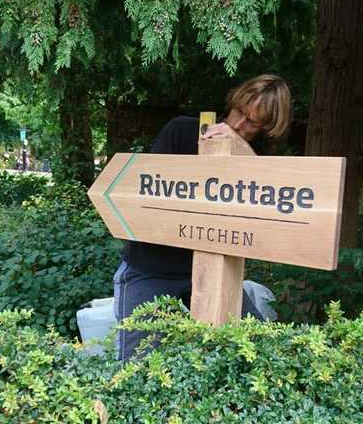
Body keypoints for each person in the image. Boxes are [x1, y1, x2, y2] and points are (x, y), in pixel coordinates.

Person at [113, 74, 293, 360]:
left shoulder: (254, 158)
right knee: (137, 364)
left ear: (266, 128)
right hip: (150, 268)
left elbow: (262, 213)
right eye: (239, 112)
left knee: (258, 347)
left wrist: (241, 153)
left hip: (211, 270)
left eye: (252, 123)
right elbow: (144, 200)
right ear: (233, 102)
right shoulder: (181, 131)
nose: (238, 124)